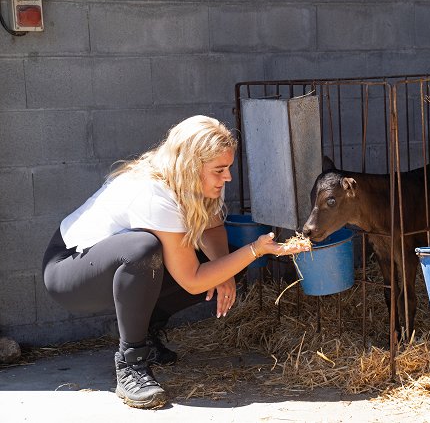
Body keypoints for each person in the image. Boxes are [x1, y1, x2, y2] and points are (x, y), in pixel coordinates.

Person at [42, 115, 309, 409]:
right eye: (219, 170)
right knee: (144, 249)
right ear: (192, 167)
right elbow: (192, 279)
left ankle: (145, 330)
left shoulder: (197, 185)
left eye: (229, 168)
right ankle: (131, 365)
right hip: (68, 271)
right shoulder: (154, 193)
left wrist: (226, 272)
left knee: (227, 260)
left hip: (105, 265)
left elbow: (214, 229)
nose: (228, 177)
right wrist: (255, 251)